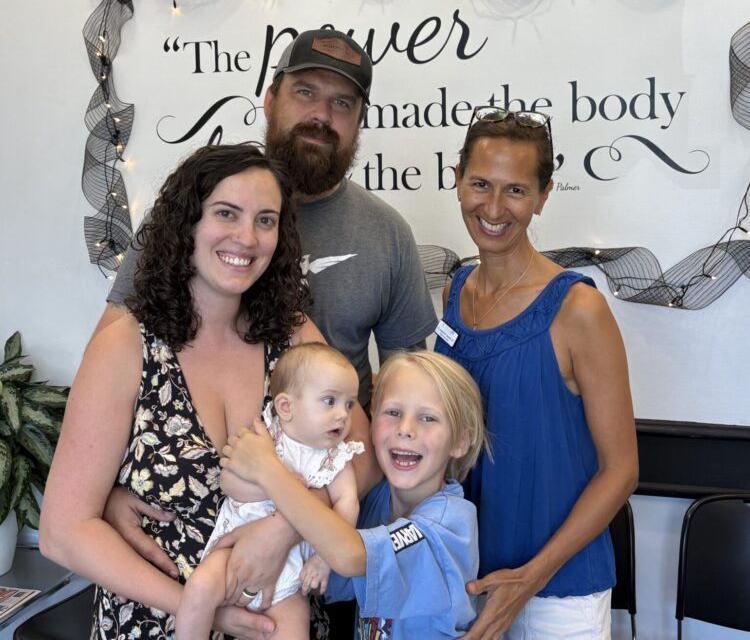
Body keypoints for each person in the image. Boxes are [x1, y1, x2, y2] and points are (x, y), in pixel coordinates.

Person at [98, 28, 436, 637]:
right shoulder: (186, 216)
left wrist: (288, 523)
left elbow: (390, 426)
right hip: (168, 579)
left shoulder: (383, 238)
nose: (321, 115)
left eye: (342, 103)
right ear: (271, 98)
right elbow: (115, 379)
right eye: (306, 92)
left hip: (312, 549)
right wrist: (106, 492)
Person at [39, 144, 349, 639]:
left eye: (265, 221)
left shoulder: (293, 337)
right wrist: (198, 609)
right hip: (153, 623)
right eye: (226, 213)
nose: (246, 237)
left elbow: (360, 459)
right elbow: (63, 532)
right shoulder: (125, 346)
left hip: (278, 621)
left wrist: (284, 528)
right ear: (187, 223)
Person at [435, 107, 638, 640]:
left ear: (544, 196)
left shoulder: (578, 309)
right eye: (480, 184)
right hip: (467, 579)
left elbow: (621, 470)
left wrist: (530, 578)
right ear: (457, 181)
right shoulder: (455, 291)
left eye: (516, 190)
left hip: (559, 593)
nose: (493, 208)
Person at [221, 351, 490, 640]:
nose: (405, 429)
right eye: (393, 413)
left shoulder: (449, 521)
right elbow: (321, 572)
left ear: (460, 441)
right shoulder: (374, 503)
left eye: (428, 418)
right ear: (372, 421)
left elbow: (350, 556)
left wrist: (268, 470)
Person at [176, 343, 364, 640]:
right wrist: (277, 486)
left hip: (291, 577)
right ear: (286, 407)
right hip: (232, 553)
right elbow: (228, 483)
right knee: (198, 590)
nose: (342, 414)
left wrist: (323, 560)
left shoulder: (336, 458)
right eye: (330, 401)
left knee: (292, 631)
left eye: (350, 404)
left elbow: (347, 503)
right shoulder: (264, 438)